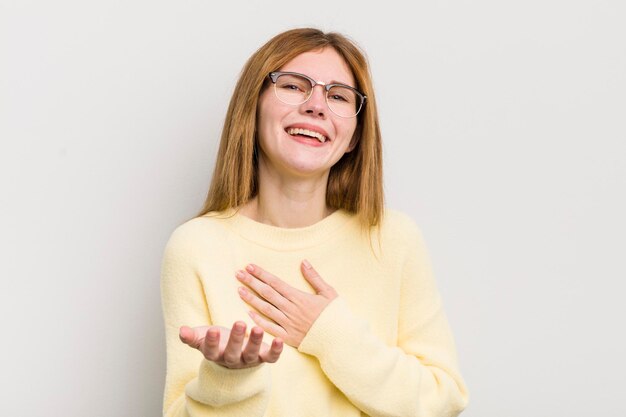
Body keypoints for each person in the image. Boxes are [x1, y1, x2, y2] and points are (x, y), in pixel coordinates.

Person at [160, 28, 469, 417]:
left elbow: (444, 398)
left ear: (355, 135)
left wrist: (328, 332)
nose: (316, 106)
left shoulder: (393, 239)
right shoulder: (195, 247)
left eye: (338, 96)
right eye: (293, 86)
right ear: (251, 109)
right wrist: (228, 379)